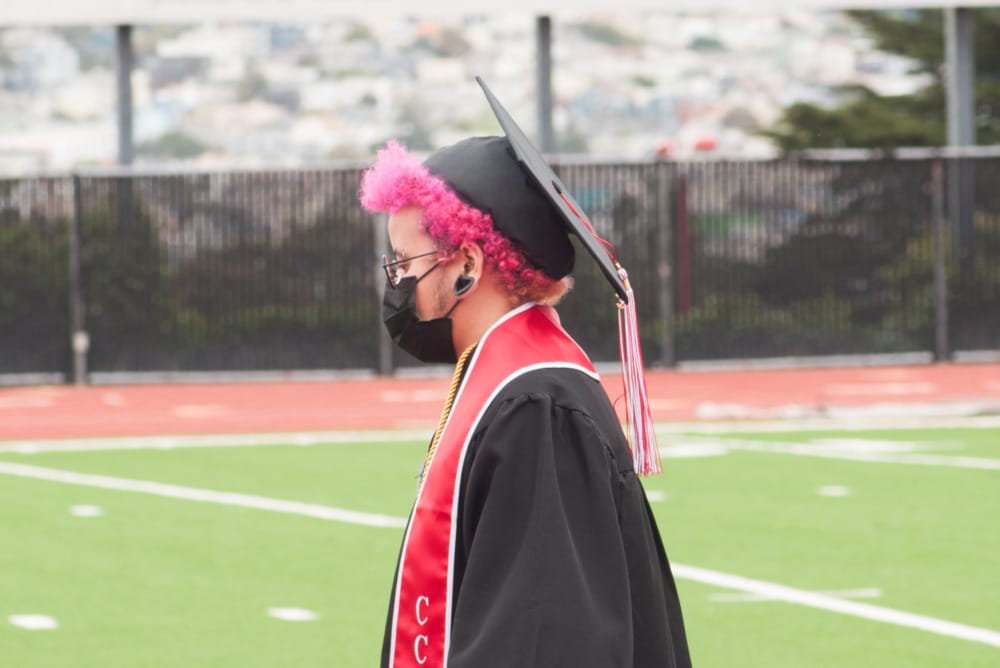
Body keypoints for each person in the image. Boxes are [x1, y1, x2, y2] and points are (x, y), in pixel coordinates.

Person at [359, 79, 690, 668]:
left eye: (405, 262)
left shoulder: (537, 407)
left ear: (466, 263)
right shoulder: (514, 381)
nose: (398, 283)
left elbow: (541, 638)